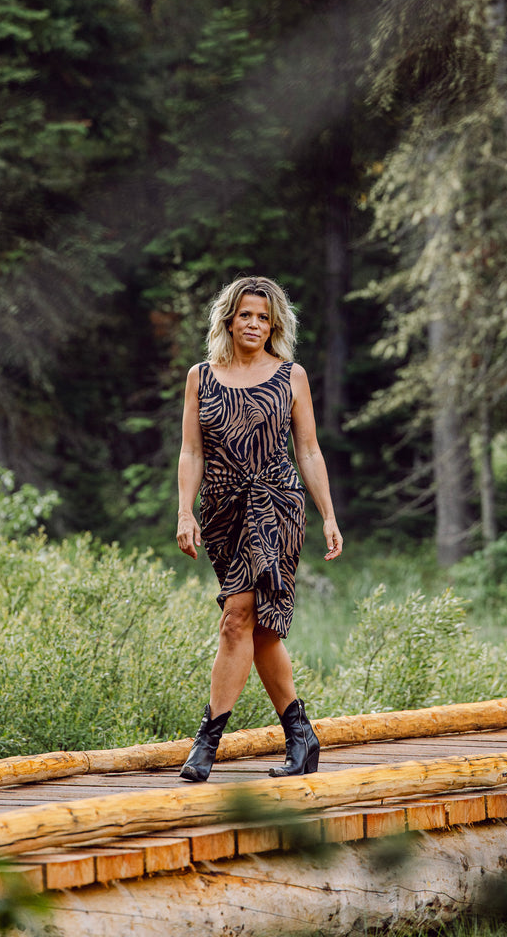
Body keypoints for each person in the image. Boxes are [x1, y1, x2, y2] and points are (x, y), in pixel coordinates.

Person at [175, 274, 343, 782]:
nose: (254, 324)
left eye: (263, 317)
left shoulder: (291, 376)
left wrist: (329, 514)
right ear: (229, 320)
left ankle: (206, 744)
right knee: (262, 629)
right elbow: (191, 452)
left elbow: (308, 451)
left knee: (236, 618)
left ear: (274, 326)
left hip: (276, 504)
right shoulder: (200, 377)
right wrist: (185, 512)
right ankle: (302, 737)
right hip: (222, 509)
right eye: (245, 315)